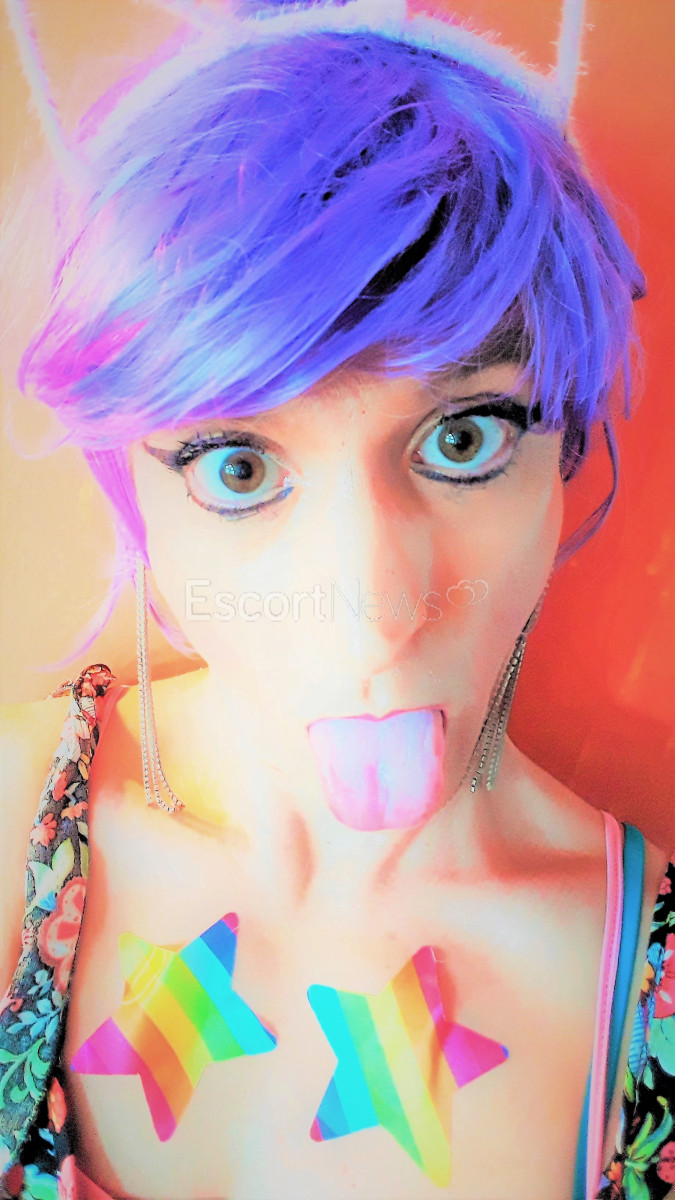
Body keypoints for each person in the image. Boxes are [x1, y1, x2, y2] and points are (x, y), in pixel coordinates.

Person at [1, 1, 673, 1198]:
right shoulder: (16, 820)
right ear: (130, 496)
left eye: (464, 438)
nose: (372, 617)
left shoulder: (639, 998)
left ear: (562, 455)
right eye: (237, 466)